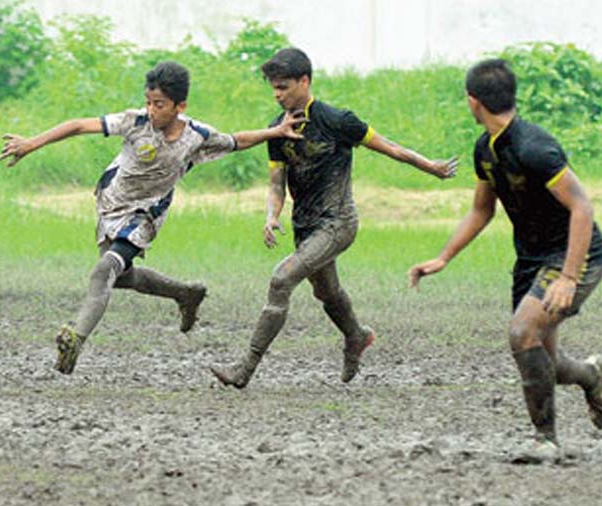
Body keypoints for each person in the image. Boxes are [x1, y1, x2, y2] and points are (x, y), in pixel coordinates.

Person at [0, 61, 304, 374]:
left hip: (146, 213)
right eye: (148, 102)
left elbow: (236, 140)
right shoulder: (134, 122)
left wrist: (276, 131)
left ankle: (76, 339)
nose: (152, 110)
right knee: (121, 277)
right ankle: (186, 293)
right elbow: (78, 125)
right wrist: (31, 143)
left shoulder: (196, 135)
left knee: (105, 270)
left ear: (179, 106)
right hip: (110, 203)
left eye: (159, 105)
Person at [210, 48, 458, 388]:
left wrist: (431, 166)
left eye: (283, 87)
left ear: (304, 81)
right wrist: (271, 216)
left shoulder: (338, 121)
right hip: (306, 227)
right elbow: (276, 185)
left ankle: (244, 369)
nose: (277, 95)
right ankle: (356, 335)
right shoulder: (276, 130)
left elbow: (392, 148)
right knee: (327, 293)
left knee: (281, 280)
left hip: (338, 222)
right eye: (273, 88)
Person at [408, 58, 602, 463]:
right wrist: (443, 257)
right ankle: (593, 376)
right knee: (547, 359)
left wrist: (568, 277)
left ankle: (545, 441)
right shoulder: (486, 150)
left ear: (472, 101)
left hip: (573, 256)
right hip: (531, 261)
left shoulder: (535, 147)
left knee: (521, 333)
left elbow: (582, 209)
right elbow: (482, 211)